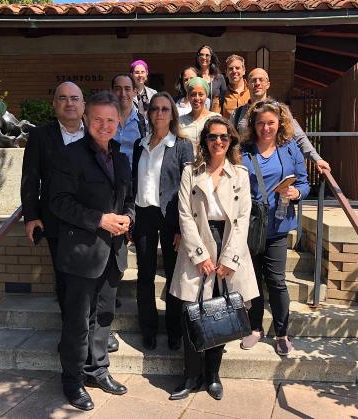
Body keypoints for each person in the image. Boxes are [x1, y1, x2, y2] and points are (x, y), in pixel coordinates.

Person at [49, 91, 135, 411]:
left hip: (112, 253)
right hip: (82, 253)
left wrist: (129, 219)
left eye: (110, 120)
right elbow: (57, 202)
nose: (104, 125)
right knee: (77, 322)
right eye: (98, 119)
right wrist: (100, 219)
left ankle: (97, 370)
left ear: (118, 122)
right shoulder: (69, 155)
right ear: (86, 118)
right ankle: (72, 382)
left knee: (104, 318)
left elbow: (129, 200)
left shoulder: (123, 158)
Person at [169, 116, 259, 401]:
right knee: (191, 315)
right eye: (212, 137)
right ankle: (190, 376)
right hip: (198, 244)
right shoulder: (190, 172)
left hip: (229, 244)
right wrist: (199, 255)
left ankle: (213, 375)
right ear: (204, 141)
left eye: (223, 137)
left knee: (221, 314)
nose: (217, 142)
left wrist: (230, 258)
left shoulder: (241, 174)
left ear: (230, 140)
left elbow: (243, 218)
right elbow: (184, 213)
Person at [240, 100, 310, 355]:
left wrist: (296, 192)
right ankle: (254, 328)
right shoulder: (244, 150)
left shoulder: (289, 148)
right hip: (251, 224)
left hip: (279, 224)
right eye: (260, 123)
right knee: (253, 281)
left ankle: (281, 332)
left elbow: (305, 182)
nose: (266, 128)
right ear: (253, 125)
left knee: (277, 281)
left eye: (270, 122)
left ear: (279, 123)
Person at [131, 92, 194, 351]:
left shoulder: (181, 145)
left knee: (172, 275)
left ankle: (174, 330)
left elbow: (188, 188)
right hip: (144, 215)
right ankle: (148, 328)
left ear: (172, 114)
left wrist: (182, 226)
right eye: (155, 108)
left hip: (170, 217)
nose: (159, 113)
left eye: (165, 109)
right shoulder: (140, 144)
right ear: (148, 112)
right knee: (144, 275)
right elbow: (135, 183)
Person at [20, 81, 84, 313]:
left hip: (93, 220)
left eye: (75, 98)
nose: (69, 103)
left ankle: (95, 332)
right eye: (63, 98)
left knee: (95, 278)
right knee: (64, 277)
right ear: (54, 104)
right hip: (56, 220)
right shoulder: (39, 136)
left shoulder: (97, 132)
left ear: (83, 105)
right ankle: (71, 333)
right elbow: (30, 178)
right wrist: (31, 216)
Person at [231, 68, 331, 174]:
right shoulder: (237, 114)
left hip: (275, 171)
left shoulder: (280, 111)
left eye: (261, 80)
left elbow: (299, 137)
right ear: (247, 84)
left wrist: (317, 159)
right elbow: (231, 142)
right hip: (246, 171)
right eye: (253, 80)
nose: (257, 83)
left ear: (268, 84)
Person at [111, 73, 147, 166]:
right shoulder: (105, 122)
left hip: (134, 178)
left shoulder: (143, 123)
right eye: (118, 89)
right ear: (112, 91)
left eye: (127, 89)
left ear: (134, 92)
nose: (123, 94)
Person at [179, 77, 221, 152]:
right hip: (187, 163)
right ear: (188, 96)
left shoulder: (215, 118)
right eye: (193, 94)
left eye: (201, 94)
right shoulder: (180, 122)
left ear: (206, 96)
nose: (197, 98)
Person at [194, 45, 226, 114]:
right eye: (201, 55)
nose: (204, 57)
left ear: (211, 58)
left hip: (214, 115)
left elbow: (224, 100)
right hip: (197, 115)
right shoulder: (194, 77)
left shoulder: (219, 78)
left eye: (207, 55)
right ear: (197, 58)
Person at [222, 54, 250, 119]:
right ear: (226, 72)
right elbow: (215, 122)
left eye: (237, 68)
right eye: (231, 68)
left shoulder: (252, 92)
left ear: (244, 70)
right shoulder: (220, 97)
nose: (234, 71)